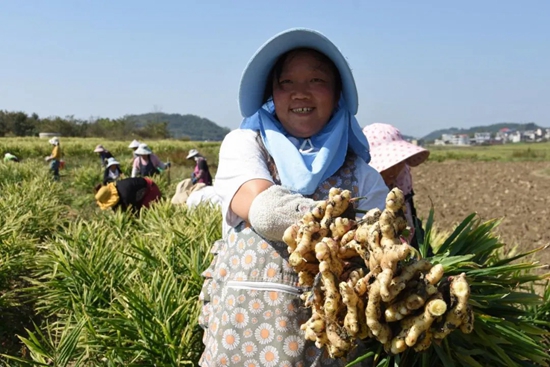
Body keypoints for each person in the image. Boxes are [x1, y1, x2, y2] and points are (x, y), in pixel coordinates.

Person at [198, 28, 389, 366]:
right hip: (239, 341)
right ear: (272, 93)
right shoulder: (245, 145)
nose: (300, 94)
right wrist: (351, 229)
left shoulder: (362, 175)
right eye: (286, 83)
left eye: (316, 80)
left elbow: (383, 257)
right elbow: (266, 212)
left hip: (325, 350)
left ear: (337, 94)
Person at [362, 123, 430, 247]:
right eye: (387, 165)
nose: (394, 171)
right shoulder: (359, 195)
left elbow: (413, 222)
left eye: (398, 162)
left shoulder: (402, 185)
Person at [94, 176, 161, 213]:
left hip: (150, 190)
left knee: (144, 212)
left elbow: (134, 212)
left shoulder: (125, 196)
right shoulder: (116, 189)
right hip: (139, 192)